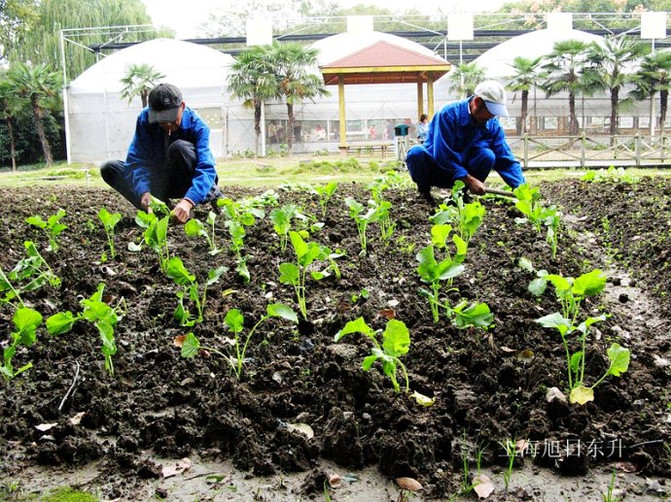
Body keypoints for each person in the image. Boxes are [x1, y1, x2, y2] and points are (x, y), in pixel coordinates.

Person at [100, 83, 221, 224]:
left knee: (179, 147)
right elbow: (136, 160)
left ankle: (214, 197)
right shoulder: (144, 119)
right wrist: (143, 191)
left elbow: (206, 167)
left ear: (182, 106)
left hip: (186, 180)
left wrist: (188, 201)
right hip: (159, 181)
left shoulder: (198, 126)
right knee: (109, 168)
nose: (168, 125)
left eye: (171, 119)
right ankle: (163, 209)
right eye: (161, 121)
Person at [405, 80, 525, 202]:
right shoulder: (448, 114)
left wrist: (522, 189)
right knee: (416, 153)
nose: (492, 117)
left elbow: (506, 160)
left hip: (464, 173)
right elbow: (443, 155)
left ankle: (461, 194)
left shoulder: (493, 125)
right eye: (491, 111)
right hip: (437, 169)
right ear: (477, 102)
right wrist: (469, 179)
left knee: (488, 156)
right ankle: (424, 191)